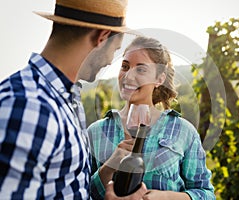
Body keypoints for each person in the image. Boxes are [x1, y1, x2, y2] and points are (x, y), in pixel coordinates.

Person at [0, 0, 147, 199]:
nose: (110, 60)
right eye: (115, 50)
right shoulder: (30, 107)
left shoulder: (65, 99)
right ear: (102, 37)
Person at [88, 36, 216, 199]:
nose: (128, 76)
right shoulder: (96, 131)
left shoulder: (183, 131)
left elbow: (206, 193)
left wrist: (169, 197)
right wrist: (109, 166)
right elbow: (82, 193)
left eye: (141, 70)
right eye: (125, 67)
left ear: (159, 79)